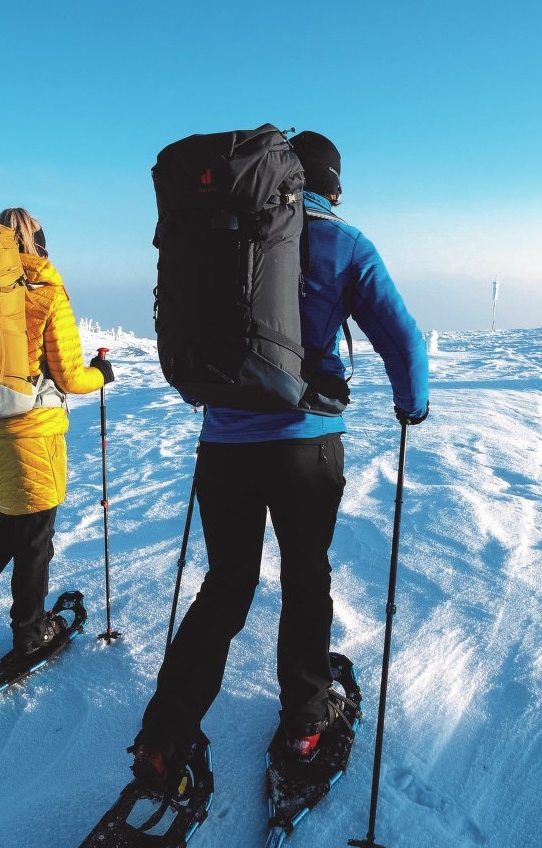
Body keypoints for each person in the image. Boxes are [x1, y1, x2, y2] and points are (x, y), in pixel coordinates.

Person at [132, 131, 429, 787]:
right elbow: (401, 338)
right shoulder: (344, 243)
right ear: (333, 185)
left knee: (225, 585)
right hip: (304, 444)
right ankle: (305, 724)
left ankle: (163, 736)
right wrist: (411, 405)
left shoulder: (225, 227)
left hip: (224, 444)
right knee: (304, 576)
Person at [0, 207, 114, 658]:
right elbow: (69, 375)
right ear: (38, 244)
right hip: (32, 428)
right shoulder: (46, 291)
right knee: (35, 533)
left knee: (16, 521)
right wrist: (102, 375)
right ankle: (30, 630)